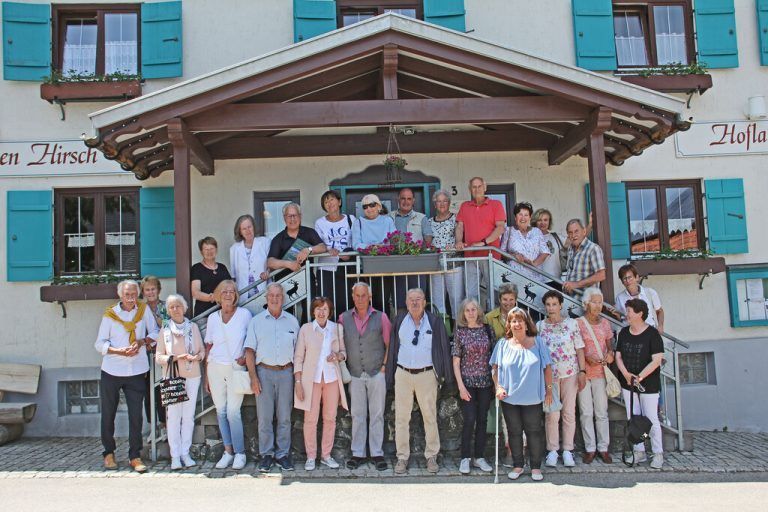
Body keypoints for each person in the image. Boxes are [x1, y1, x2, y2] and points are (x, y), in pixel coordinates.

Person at [385, 288, 454, 475]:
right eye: (411, 300)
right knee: (401, 418)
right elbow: (392, 350)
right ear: (406, 303)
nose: (414, 303)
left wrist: (445, 376)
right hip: (403, 374)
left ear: (424, 302)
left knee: (430, 417)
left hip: (426, 374)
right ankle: (402, 458)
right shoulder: (399, 321)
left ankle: (431, 456)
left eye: (418, 299)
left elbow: (443, 349)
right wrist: (390, 375)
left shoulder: (435, 322)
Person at [94, 280, 159, 472]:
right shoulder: (110, 315)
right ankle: (108, 453)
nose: (130, 298)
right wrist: (118, 351)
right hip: (112, 370)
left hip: (137, 370)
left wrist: (141, 341)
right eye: (127, 295)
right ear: (120, 295)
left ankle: (135, 455)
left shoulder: (143, 310)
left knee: (135, 415)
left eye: (133, 294)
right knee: (108, 413)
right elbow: (99, 344)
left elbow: (155, 331)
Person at [490, 307, 553, 481]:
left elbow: (548, 368)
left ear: (526, 323)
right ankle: (518, 465)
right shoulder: (502, 344)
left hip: (532, 397)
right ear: (509, 324)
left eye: (520, 320)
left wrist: (549, 390)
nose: (517, 324)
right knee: (514, 431)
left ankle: (535, 467)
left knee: (534, 431)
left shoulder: (538, 342)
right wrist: (498, 386)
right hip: (510, 398)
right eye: (513, 321)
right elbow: (494, 369)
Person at [244, 282, 301, 473]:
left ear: (282, 298)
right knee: (265, 417)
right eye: (271, 296)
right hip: (264, 373)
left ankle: (282, 454)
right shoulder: (256, 322)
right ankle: (266, 454)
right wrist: (253, 377)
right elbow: (249, 352)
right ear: (266, 298)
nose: (275, 299)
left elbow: (300, 353)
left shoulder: (292, 321)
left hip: (286, 372)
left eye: (278, 296)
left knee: (284, 416)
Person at [338, 282, 392, 471]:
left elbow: (389, 344)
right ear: (352, 297)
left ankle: (377, 453)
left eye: (364, 295)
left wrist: (384, 367)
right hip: (354, 373)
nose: (360, 299)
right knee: (357, 414)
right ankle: (358, 453)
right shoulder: (343, 318)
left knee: (377, 414)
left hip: (377, 372)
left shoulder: (381, 317)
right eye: (357, 295)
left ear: (369, 297)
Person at [294, 297, 349, 471]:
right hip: (311, 380)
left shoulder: (336, 328)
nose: (321, 312)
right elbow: (298, 357)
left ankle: (326, 455)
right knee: (310, 419)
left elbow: (343, 353)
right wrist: (298, 381)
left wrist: (337, 356)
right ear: (313, 311)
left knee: (330, 418)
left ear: (329, 312)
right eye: (318, 308)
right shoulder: (306, 329)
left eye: (325, 309)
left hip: (331, 378)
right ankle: (311, 456)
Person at [204, 279, 252, 470]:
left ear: (236, 296)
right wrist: (207, 376)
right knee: (221, 411)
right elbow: (209, 346)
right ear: (218, 295)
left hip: (235, 369)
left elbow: (250, 341)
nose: (228, 295)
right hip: (215, 368)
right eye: (224, 292)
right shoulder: (212, 318)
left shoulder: (244, 315)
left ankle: (240, 453)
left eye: (231, 292)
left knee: (233, 412)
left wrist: (244, 359)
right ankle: (228, 451)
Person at [537, 290, 586, 468]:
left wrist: (582, 371)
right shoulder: (541, 326)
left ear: (560, 305)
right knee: (552, 413)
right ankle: (552, 450)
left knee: (569, 412)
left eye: (554, 304)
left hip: (570, 373)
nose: (551, 308)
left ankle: (568, 450)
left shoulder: (572, 324)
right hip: (550, 375)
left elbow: (579, 348)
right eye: (548, 304)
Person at [155, 294, 204, 470]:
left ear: (184, 308)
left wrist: (196, 356)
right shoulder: (165, 330)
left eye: (178, 306)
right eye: (171, 307)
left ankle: (185, 452)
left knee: (188, 416)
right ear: (168, 311)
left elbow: (202, 351)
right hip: (172, 377)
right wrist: (176, 358)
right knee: (173, 417)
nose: (175, 309)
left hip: (192, 375)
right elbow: (159, 357)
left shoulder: (193, 327)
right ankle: (175, 455)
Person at [615, 298, 665, 469]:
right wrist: (626, 374)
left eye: (629, 311)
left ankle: (658, 453)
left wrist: (639, 377)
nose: (626, 314)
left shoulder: (652, 334)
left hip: (648, 384)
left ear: (640, 313)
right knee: (634, 418)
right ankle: (639, 450)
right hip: (627, 383)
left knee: (651, 418)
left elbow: (656, 360)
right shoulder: (624, 333)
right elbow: (618, 356)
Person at [452, 298, 494, 475]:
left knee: (483, 419)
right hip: (467, 382)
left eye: (474, 309)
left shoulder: (486, 329)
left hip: (485, 381)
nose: (471, 312)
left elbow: (493, 356)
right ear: (463, 313)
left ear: (479, 311)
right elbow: (456, 361)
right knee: (470, 419)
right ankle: (465, 458)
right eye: (468, 310)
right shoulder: (460, 332)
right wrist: (460, 386)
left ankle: (479, 457)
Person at [576, 287, 615, 464]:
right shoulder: (578, 323)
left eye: (600, 302)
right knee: (585, 411)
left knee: (601, 411)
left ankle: (603, 447)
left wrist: (610, 354)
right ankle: (590, 448)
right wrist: (586, 359)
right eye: (594, 302)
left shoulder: (605, 324)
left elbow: (610, 345)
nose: (598, 305)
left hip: (600, 372)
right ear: (586, 304)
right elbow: (577, 347)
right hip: (583, 372)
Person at [455, 177, 506, 303]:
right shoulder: (465, 206)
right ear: (470, 189)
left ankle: (493, 321)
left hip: (490, 255)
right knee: (470, 294)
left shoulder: (496, 205)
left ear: (485, 188)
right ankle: (474, 322)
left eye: (479, 186)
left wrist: (483, 243)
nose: (477, 189)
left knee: (493, 292)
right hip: (470, 256)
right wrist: (459, 241)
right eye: (474, 187)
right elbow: (459, 226)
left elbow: (500, 228)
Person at [314, 190, 355, 313]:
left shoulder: (351, 219)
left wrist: (347, 254)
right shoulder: (320, 223)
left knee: (347, 301)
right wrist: (328, 249)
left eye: (332, 199)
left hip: (347, 267)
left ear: (339, 201)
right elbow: (318, 244)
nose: (329, 203)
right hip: (326, 269)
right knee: (327, 303)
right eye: (326, 201)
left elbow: (356, 241)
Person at [267, 203, 327, 285]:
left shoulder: (309, 232)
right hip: (285, 284)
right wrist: (288, 264)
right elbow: (270, 262)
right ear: (284, 218)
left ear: (300, 216)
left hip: (308, 284)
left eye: (295, 215)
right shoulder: (278, 239)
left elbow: (323, 247)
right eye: (289, 216)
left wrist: (308, 250)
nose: (292, 219)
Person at [428, 189, 464, 320]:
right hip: (436, 266)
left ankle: (458, 332)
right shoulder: (429, 221)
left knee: (456, 299)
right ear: (434, 204)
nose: (442, 204)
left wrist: (456, 245)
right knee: (437, 301)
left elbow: (463, 241)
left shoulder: (457, 219)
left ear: (449, 203)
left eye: (445, 201)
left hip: (454, 264)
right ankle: (442, 331)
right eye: (438, 201)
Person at [139, 275, 167, 436]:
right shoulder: (139, 309)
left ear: (158, 290)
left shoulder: (165, 306)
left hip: (161, 354)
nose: (150, 292)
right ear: (143, 292)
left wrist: (157, 319)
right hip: (145, 355)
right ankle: (153, 426)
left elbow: (168, 327)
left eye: (153, 289)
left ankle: (164, 424)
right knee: (147, 391)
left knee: (161, 390)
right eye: (147, 290)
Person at [500, 202, 550, 281]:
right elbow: (501, 253)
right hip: (514, 277)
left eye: (526, 215)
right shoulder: (508, 231)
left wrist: (534, 264)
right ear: (515, 217)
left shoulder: (537, 231)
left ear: (530, 217)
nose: (523, 218)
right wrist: (513, 255)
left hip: (535, 278)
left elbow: (545, 252)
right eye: (520, 214)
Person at [614, 264, 665, 333]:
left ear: (637, 277)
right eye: (624, 278)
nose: (628, 281)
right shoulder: (620, 298)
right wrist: (617, 315)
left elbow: (659, 311)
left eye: (630, 277)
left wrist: (660, 326)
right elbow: (620, 319)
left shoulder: (650, 292)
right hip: (630, 333)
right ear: (622, 282)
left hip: (649, 331)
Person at [229, 214, 270, 301]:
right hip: (243, 295)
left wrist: (268, 272)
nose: (248, 231)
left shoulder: (265, 242)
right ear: (240, 231)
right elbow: (233, 276)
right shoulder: (234, 249)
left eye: (249, 227)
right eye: (244, 228)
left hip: (263, 291)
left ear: (253, 227)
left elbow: (271, 264)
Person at [563, 218, 606, 295]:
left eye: (576, 231)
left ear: (584, 231)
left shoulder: (593, 249)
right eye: (570, 232)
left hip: (586, 301)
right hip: (571, 299)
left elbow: (601, 275)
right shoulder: (570, 249)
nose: (573, 235)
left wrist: (576, 284)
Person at [191, 236, 232, 317]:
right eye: (206, 249)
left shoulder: (222, 267)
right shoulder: (197, 268)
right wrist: (213, 297)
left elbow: (231, 286)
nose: (209, 251)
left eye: (212, 248)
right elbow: (195, 293)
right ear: (201, 252)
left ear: (216, 250)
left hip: (224, 313)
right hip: (204, 314)